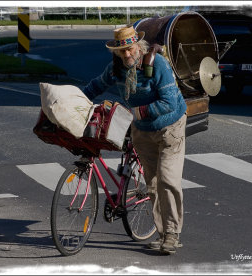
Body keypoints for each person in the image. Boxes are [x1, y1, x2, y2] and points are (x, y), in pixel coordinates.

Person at [83, 26, 187, 255]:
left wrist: (137, 113)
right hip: (142, 131)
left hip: (170, 128)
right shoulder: (115, 70)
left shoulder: (157, 65)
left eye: (130, 49)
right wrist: (75, 101)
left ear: (138, 46)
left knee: (167, 180)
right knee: (152, 184)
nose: (127, 55)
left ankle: (172, 234)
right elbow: (96, 86)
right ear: (116, 53)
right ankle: (163, 234)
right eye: (122, 52)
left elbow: (169, 103)